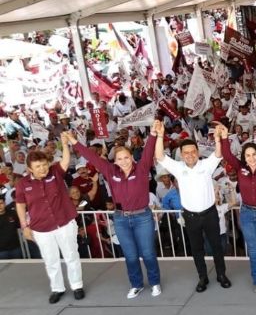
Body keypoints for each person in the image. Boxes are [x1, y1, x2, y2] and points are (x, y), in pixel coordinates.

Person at [70, 124, 162, 299]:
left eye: (126, 157)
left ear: (131, 158)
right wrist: (75, 142)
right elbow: (92, 157)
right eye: (119, 159)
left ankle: (155, 282)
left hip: (143, 217)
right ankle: (136, 284)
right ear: (115, 161)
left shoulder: (142, 169)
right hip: (121, 219)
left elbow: (149, 151)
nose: (124, 161)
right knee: (130, 255)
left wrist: (152, 133)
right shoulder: (110, 171)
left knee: (148, 253)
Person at [155, 129, 229, 293]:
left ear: (198, 152)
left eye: (193, 151)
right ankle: (203, 277)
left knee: (217, 246)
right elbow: (159, 155)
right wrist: (160, 135)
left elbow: (218, 153)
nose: (190, 155)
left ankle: (221, 275)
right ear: (181, 154)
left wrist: (217, 138)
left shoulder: (206, 165)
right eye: (186, 153)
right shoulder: (178, 168)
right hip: (191, 216)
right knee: (197, 249)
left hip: (210, 214)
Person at [15, 139, 85, 304]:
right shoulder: (23, 184)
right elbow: (20, 205)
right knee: (50, 260)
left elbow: (66, 160)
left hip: (64, 223)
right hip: (41, 228)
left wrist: (65, 144)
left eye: (44, 164)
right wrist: (24, 225)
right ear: (29, 169)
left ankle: (77, 286)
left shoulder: (55, 172)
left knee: (71, 256)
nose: (43, 169)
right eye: (38, 166)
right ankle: (57, 288)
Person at [217, 123, 256, 292]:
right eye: (248, 155)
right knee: (253, 249)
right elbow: (227, 155)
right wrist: (224, 137)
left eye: (254, 154)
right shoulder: (240, 168)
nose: (251, 158)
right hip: (247, 214)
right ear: (244, 157)